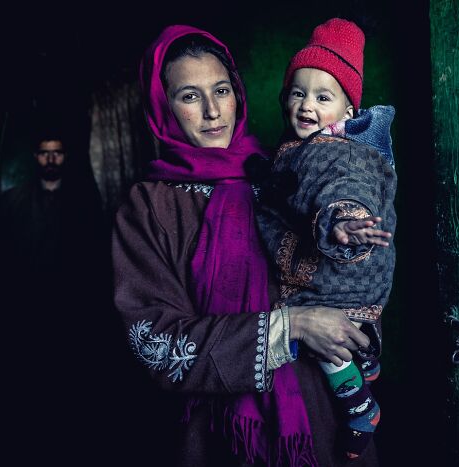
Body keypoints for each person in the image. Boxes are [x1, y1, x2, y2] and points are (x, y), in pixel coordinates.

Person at [112, 24, 378, 466]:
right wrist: (289, 326)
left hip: (324, 420)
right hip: (220, 438)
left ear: (239, 93)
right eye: (190, 96)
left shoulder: (284, 170)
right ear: (162, 108)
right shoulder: (147, 207)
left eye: (222, 90)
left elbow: (347, 274)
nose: (214, 111)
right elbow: (153, 341)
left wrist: (355, 328)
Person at [245, 18, 397, 459]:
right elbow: (286, 183)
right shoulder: (303, 144)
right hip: (349, 275)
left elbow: (341, 187)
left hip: (336, 274)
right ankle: (368, 360)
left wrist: (342, 220)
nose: (306, 104)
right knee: (345, 331)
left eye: (322, 97)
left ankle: (359, 409)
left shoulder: (335, 151)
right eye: (298, 92)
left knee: (325, 346)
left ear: (348, 113)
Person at [0, 126, 112, 464]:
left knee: (68, 386)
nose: (51, 158)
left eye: (57, 152)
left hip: (70, 312)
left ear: (65, 157)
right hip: (27, 311)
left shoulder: (83, 203)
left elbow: (94, 261)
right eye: (45, 152)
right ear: (36, 157)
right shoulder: (13, 202)